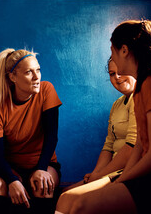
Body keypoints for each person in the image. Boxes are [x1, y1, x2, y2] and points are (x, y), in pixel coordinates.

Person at [56, 20, 151, 214]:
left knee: (80, 206)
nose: (112, 57)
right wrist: (121, 180)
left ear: (124, 50)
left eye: (113, 51)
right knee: (71, 202)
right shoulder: (142, 89)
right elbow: (141, 147)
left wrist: (121, 180)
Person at [0, 48, 62, 214]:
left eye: (38, 70)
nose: (36, 77)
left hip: (43, 163)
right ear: (13, 77)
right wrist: (12, 180)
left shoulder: (46, 90)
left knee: (43, 185)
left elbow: (51, 137)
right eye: (28, 72)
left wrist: (41, 169)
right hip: (11, 168)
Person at [55, 58, 137, 213]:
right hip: (110, 170)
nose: (117, 77)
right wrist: (96, 174)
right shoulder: (117, 104)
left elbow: (131, 148)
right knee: (64, 194)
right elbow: (109, 146)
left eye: (121, 71)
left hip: (127, 170)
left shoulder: (140, 98)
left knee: (70, 199)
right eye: (112, 74)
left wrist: (100, 175)